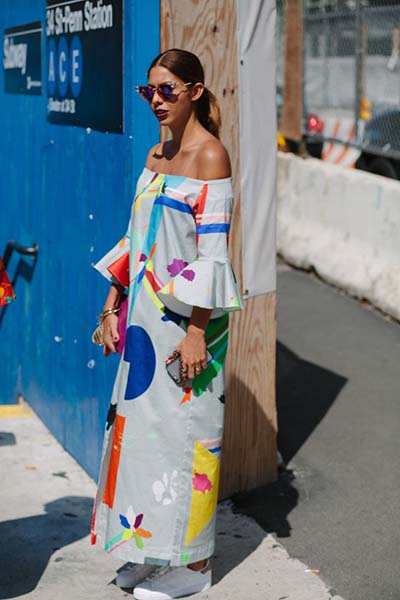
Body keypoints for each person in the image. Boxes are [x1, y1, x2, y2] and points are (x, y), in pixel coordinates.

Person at [91, 48, 243, 600]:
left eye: (167, 90)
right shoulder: (156, 155)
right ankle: (152, 550)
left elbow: (213, 256)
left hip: (188, 328)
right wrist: (111, 305)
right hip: (143, 326)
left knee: (188, 440)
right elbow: (136, 238)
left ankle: (194, 564)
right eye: (148, 90)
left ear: (195, 92)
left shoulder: (211, 158)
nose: (156, 100)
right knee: (140, 440)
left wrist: (198, 332)